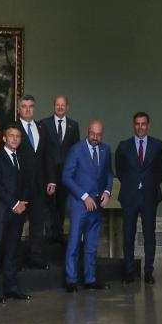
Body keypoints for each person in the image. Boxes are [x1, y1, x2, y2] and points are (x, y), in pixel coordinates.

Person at [114, 111, 162, 284]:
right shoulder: (124, 146)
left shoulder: (157, 145)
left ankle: (149, 272)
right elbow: (119, 170)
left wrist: (149, 184)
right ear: (133, 125)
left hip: (149, 196)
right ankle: (129, 271)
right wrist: (132, 183)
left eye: (143, 124)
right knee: (128, 234)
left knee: (149, 235)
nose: (140, 127)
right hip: (129, 196)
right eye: (137, 124)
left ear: (148, 125)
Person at [61, 119, 112, 291]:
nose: (95, 137)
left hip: (97, 205)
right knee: (74, 242)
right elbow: (66, 177)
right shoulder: (76, 150)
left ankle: (90, 279)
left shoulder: (106, 150)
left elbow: (109, 174)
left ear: (102, 135)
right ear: (87, 132)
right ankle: (71, 280)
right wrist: (84, 196)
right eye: (92, 133)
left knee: (91, 245)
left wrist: (107, 192)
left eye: (98, 134)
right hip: (79, 204)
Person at [0, 124, 30, 304]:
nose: (15, 139)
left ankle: (11, 288)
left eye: (18, 136)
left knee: (12, 253)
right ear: (4, 138)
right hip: (0, 214)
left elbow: (26, 183)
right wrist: (15, 204)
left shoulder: (22, 158)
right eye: (11, 136)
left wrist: (22, 202)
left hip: (17, 214)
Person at [11, 95, 53, 269]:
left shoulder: (42, 128)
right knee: (16, 225)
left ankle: (35, 257)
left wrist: (52, 180)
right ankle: (14, 260)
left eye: (31, 106)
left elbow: (48, 155)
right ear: (18, 109)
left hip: (40, 185)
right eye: (24, 106)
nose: (28, 109)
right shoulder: (12, 129)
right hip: (20, 185)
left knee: (37, 223)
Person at [39, 95, 77, 244]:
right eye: (57, 104)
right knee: (48, 205)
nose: (60, 107)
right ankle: (48, 234)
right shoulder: (44, 124)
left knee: (61, 204)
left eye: (63, 105)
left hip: (66, 174)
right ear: (53, 106)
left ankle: (58, 234)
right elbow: (42, 150)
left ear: (67, 107)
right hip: (48, 172)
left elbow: (75, 151)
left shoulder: (74, 126)